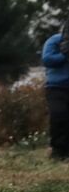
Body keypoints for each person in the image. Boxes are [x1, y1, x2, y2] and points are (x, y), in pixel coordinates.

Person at [43, 20, 69, 160]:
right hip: (56, 87)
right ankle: (57, 150)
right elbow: (47, 59)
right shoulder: (54, 41)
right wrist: (64, 55)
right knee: (59, 117)